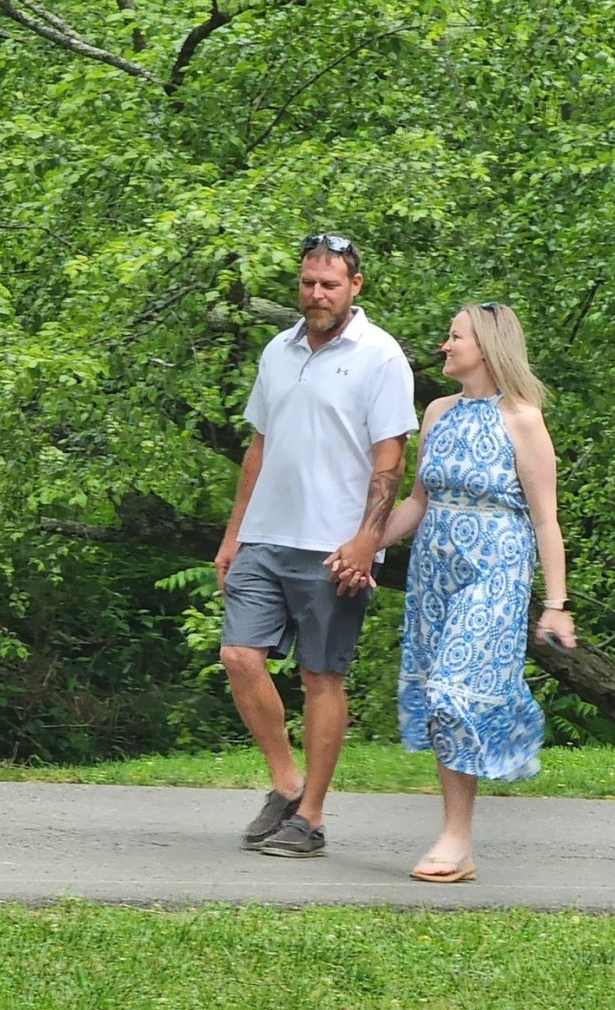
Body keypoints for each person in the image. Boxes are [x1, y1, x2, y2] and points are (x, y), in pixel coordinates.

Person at [214, 233, 419, 858]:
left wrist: (366, 541)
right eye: (308, 282)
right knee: (238, 657)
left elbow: (391, 459)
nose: (316, 293)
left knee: (320, 674)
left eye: (329, 283)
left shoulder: (381, 356)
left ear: (355, 286)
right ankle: (286, 784)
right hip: (264, 536)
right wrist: (232, 535)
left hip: (334, 547)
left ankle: (312, 818)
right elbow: (258, 447)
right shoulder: (278, 350)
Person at [378, 301, 576, 882]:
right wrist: (363, 547)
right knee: (439, 699)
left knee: (452, 689)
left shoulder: (523, 418)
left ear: (485, 347)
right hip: (435, 574)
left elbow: (546, 521)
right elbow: (417, 501)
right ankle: (456, 842)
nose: (445, 345)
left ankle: (456, 838)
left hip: (495, 572)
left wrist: (557, 604)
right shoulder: (438, 412)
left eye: (454, 336)